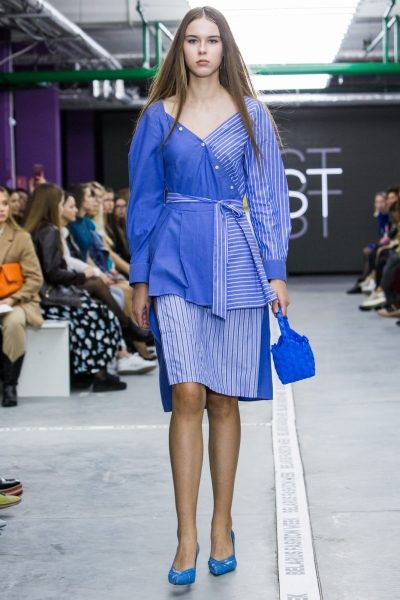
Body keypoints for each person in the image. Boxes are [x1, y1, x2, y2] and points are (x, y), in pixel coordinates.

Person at [127, 6, 290, 586]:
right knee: (188, 392)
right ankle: (187, 535)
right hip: (173, 261)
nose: (202, 49)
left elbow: (268, 195)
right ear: (180, 50)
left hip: (238, 263)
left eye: (212, 40)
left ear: (225, 49)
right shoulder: (158, 117)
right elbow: (144, 200)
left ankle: (222, 525)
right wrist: (139, 276)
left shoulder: (251, 115)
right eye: (192, 40)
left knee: (223, 398)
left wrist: (276, 269)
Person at [24, 183, 127, 392]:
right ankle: (97, 374)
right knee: (101, 315)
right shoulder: (50, 231)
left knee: (98, 311)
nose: (63, 207)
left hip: (45, 297)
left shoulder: (38, 230)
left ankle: (88, 372)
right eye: (61, 203)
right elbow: (53, 273)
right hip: (50, 300)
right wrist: (81, 275)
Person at [60, 192, 157, 374]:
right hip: (71, 282)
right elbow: (68, 262)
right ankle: (130, 343)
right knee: (117, 295)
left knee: (120, 292)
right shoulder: (65, 229)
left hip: (85, 275)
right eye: (93, 197)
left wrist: (104, 272)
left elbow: (90, 256)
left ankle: (129, 345)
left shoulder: (81, 226)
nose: (97, 202)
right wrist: (99, 272)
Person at [0, 186, 44, 407]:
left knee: (14, 322)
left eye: (4, 203)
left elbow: (35, 278)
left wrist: (11, 299)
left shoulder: (21, 237)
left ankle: (10, 384)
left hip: (17, 300)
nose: (1, 209)